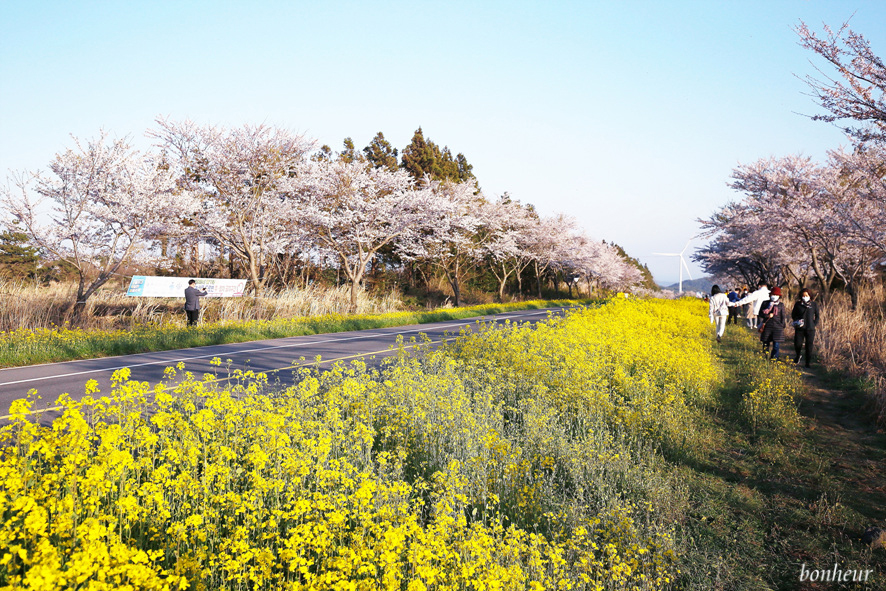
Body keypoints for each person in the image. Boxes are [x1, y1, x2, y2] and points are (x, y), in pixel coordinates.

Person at [791, 288, 820, 368]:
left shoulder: (813, 304)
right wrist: (797, 321)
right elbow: (793, 314)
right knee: (797, 344)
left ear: (810, 296)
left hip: (810, 329)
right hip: (800, 328)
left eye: (806, 295)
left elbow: (817, 316)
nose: (805, 297)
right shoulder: (798, 304)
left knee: (809, 346)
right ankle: (797, 355)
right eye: (803, 296)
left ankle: (808, 362)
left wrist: (814, 324)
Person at [759, 286, 786, 359]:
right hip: (767, 326)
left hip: (777, 327)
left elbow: (783, 316)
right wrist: (767, 315)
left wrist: (782, 325)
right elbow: (760, 314)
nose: (774, 296)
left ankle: (774, 359)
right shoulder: (765, 303)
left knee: (776, 345)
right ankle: (764, 358)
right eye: (773, 295)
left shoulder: (781, 305)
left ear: (779, 296)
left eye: (776, 295)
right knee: (766, 343)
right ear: (770, 295)